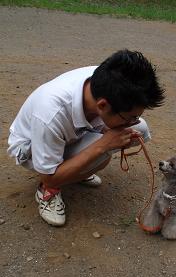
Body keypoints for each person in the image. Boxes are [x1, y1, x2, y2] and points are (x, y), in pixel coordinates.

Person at [7, 49, 165, 226]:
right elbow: (48, 176)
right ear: (103, 105)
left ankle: (76, 167)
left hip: (71, 131)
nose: (131, 121)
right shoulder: (50, 114)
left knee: (140, 129)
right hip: (30, 149)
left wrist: (112, 133)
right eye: (129, 117)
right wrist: (102, 145)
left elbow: (126, 123)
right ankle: (47, 192)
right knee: (98, 155)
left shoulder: (105, 81)